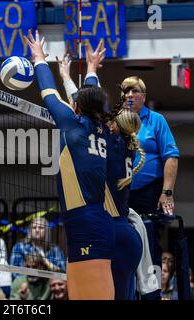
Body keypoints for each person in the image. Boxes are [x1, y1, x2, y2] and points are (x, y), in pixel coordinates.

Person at [25, 30, 116, 299]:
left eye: (75, 101)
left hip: (89, 221)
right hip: (85, 221)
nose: (72, 101)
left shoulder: (72, 125)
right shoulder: (99, 126)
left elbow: (48, 93)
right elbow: (91, 97)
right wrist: (90, 69)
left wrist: (39, 58)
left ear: (76, 108)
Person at [58, 46, 145, 300]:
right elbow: (86, 104)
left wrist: (68, 76)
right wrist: (90, 70)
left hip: (110, 233)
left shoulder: (105, 141)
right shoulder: (127, 145)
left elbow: (83, 104)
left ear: (113, 126)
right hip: (129, 236)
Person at [122, 76, 179, 270]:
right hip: (120, 191)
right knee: (122, 239)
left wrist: (167, 193)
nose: (130, 94)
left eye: (135, 90)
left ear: (143, 96)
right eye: (126, 91)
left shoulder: (156, 120)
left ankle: (152, 290)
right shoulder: (115, 121)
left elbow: (171, 156)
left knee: (149, 240)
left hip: (150, 191)